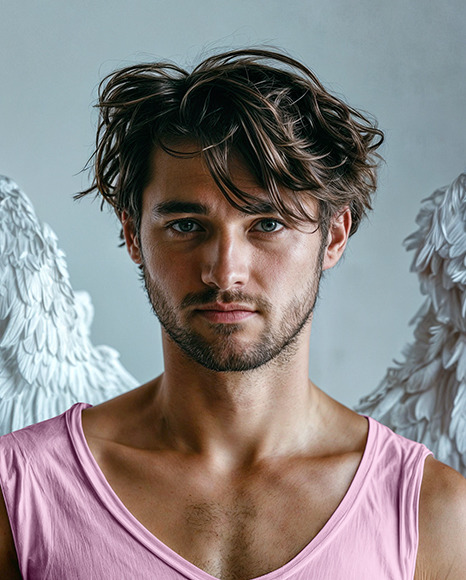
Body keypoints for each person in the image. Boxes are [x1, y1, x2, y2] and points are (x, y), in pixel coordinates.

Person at [0, 48, 465, 580]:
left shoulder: (434, 513)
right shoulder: (19, 492)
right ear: (133, 235)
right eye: (185, 225)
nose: (225, 273)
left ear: (333, 236)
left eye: (267, 224)